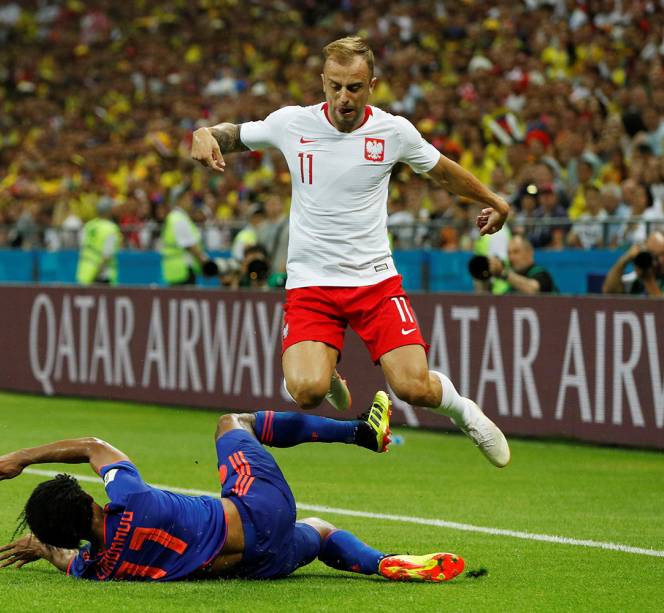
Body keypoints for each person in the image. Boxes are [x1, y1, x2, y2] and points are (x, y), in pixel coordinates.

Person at [190, 35, 511, 467]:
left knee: (414, 388)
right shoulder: (292, 123)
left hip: (374, 282)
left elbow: (442, 172)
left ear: (371, 85)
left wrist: (494, 199)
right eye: (335, 86)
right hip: (312, 285)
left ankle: (465, 412)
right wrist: (204, 132)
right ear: (323, 82)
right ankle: (328, 374)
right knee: (306, 392)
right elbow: (234, 135)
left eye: (354, 87)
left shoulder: (393, 132)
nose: (344, 97)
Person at [0, 393, 465, 583]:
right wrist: (23, 456)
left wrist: (43, 547)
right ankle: (362, 432)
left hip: (259, 566)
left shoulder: (101, 567)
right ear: (86, 499)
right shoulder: (129, 497)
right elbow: (91, 445)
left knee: (319, 530)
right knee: (232, 422)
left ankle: (381, 563)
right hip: (259, 513)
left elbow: (68, 561)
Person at [160, 192, 208, 286]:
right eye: (187, 198)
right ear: (179, 200)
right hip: (183, 270)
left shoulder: (176, 217)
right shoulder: (178, 219)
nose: (191, 201)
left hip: (176, 270)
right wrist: (206, 265)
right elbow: (190, 246)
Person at [601, 230, 664, 297]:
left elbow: (660, 306)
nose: (660, 260)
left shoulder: (647, 279)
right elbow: (609, 292)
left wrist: (648, 280)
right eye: (654, 255)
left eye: (662, 254)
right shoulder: (635, 280)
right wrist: (625, 259)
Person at [486, 236, 557, 294]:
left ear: (529, 252)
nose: (511, 257)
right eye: (509, 253)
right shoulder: (512, 281)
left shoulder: (541, 274)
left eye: (516, 252)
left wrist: (502, 273)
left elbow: (533, 290)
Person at [76, 198, 122, 285]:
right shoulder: (111, 228)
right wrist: (96, 273)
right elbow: (107, 254)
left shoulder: (88, 225)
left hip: (85, 274)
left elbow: (81, 245)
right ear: (109, 211)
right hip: (102, 276)